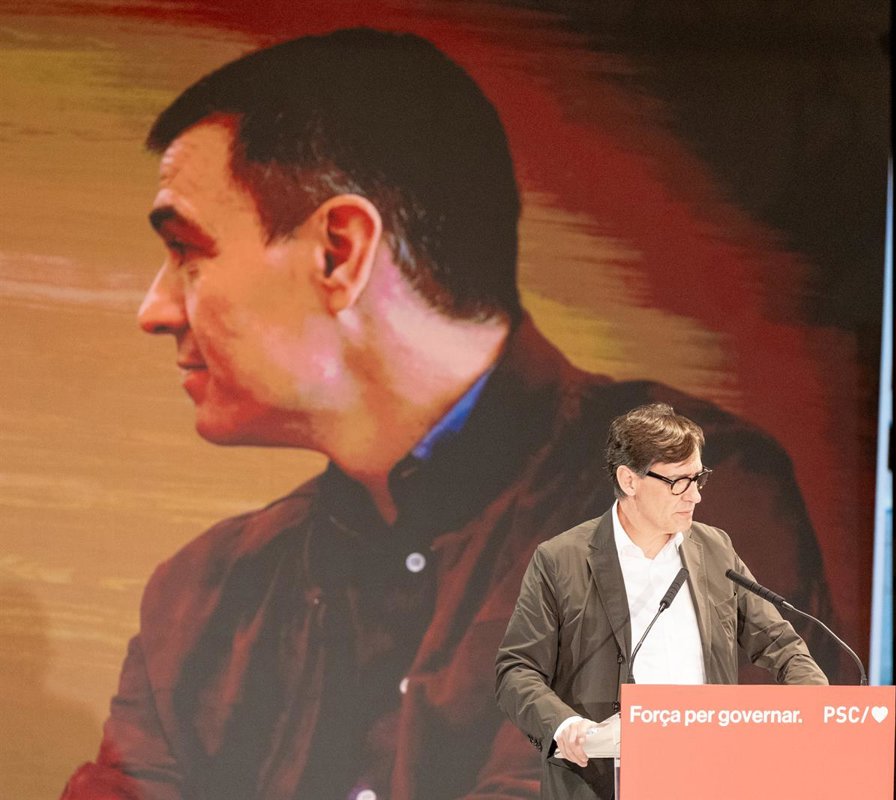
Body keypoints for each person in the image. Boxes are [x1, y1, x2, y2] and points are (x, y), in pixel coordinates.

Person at [61, 28, 840, 800]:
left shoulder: (691, 494)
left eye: (186, 250)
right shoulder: (202, 593)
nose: (153, 310)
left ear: (339, 250)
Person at [495, 403, 829, 799]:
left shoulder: (715, 549)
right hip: (602, 780)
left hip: (708, 777)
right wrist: (566, 726)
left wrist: (813, 707)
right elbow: (517, 670)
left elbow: (781, 644)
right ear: (629, 480)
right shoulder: (561, 560)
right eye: (678, 482)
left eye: (698, 478)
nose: (695, 496)